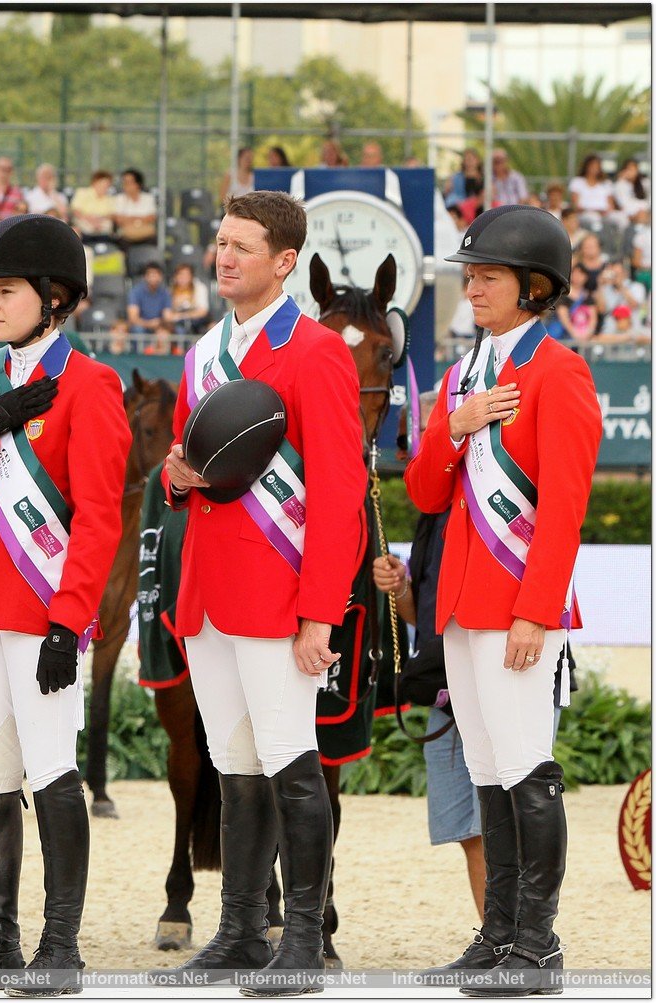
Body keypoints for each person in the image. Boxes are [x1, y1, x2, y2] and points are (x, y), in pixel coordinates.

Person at [0, 214, 130, 996]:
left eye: (5, 291)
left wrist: (69, 619)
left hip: (41, 611)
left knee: (50, 773)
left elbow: (100, 515)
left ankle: (61, 946)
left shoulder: (93, 385)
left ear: (55, 296)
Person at [159, 190, 366, 994]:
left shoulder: (316, 351)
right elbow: (186, 466)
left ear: (284, 262)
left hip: (281, 598)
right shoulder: (202, 351)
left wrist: (322, 609)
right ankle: (242, 929)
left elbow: (342, 487)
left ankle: (305, 938)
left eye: (241, 246)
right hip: (208, 596)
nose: (224, 256)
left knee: (291, 763)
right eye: (219, 242)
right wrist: (176, 481)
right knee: (235, 766)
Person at [405, 204, 602, 993]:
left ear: (533, 286)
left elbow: (562, 504)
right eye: (471, 275)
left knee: (525, 769)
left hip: (519, 604)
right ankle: (496, 936)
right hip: (459, 604)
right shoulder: (462, 377)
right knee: (488, 772)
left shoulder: (561, 371)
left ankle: (540, 944)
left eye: (487, 276)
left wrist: (535, 608)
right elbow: (423, 488)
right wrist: (454, 425)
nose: (473, 287)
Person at [371, 409, 490, 937]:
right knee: (471, 828)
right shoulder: (431, 517)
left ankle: (523, 941)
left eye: (412, 445)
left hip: (495, 675)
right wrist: (399, 589)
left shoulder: (490, 494)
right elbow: (427, 616)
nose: (409, 457)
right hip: (446, 682)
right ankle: (495, 938)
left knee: (507, 819)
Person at [127, 262, 173, 351]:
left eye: (156, 275)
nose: (153, 278)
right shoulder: (136, 292)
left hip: (159, 325)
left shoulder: (165, 293)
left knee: (165, 334)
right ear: (145, 277)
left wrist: (160, 324)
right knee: (138, 330)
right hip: (141, 325)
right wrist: (149, 324)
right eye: (150, 275)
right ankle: (141, 357)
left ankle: (161, 361)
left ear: (161, 277)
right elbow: (133, 318)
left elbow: (167, 315)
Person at [164, 262, 211, 341]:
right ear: (175, 276)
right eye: (180, 275)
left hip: (198, 322)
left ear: (191, 276)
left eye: (186, 275)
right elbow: (167, 315)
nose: (183, 278)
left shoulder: (199, 287)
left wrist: (183, 316)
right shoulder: (170, 289)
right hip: (177, 324)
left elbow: (203, 312)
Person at [569, 154, 614, 230]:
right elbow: (575, 205)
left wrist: (605, 212)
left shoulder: (606, 183)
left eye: (597, 166)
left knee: (620, 218)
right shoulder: (577, 182)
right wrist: (592, 210)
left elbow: (611, 205)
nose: (594, 168)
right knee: (594, 218)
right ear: (586, 166)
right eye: (592, 166)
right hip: (585, 213)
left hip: (604, 214)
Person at [113, 168, 157, 245]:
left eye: (129, 182)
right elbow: (118, 219)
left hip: (146, 234)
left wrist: (130, 219)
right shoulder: (119, 199)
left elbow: (151, 217)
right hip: (126, 236)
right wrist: (140, 219)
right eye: (124, 182)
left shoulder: (148, 198)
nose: (126, 185)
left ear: (137, 184)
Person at [70, 170, 117, 239]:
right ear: (94, 182)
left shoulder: (109, 198)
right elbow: (75, 211)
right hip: (84, 220)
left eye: (107, 185)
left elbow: (111, 214)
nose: (104, 187)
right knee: (84, 226)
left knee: (108, 225)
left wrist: (99, 220)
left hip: (101, 221)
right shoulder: (82, 192)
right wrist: (90, 219)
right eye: (102, 183)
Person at [446, 149, 486, 221]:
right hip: (460, 206)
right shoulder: (456, 177)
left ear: (478, 161)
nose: (469, 162)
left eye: (471, 159)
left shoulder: (484, 178)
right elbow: (450, 194)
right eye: (467, 159)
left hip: (478, 207)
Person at [611, 157, 649, 227]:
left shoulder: (645, 183)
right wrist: (621, 180)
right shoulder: (620, 184)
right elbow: (624, 204)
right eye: (629, 169)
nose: (631, 172)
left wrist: (643, 209)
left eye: (634, 169)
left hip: (644, 213)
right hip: (629, 215)